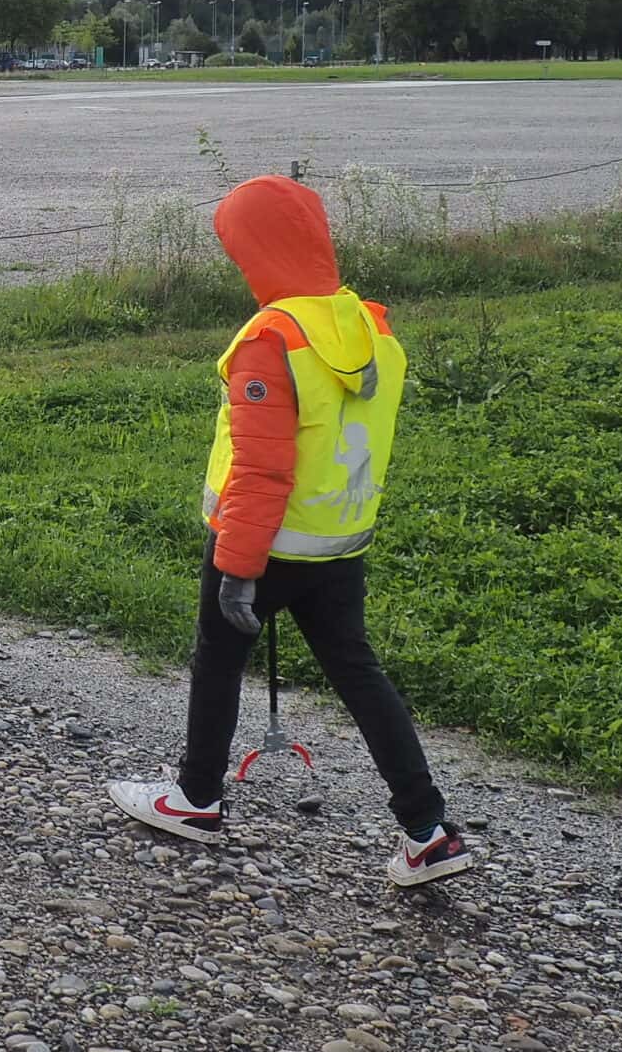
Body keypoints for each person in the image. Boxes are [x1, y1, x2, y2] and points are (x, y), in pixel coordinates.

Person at [107, 175, 477, 887]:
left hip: (263, 544)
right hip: (339, 544)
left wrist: (239, 564)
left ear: (259, 250)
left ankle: (196, 798)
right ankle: (428, 833)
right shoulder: (367, 324)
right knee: (359, 675)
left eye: (239, 250)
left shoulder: (269, 338)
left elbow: (263, 467)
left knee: (217, 661)